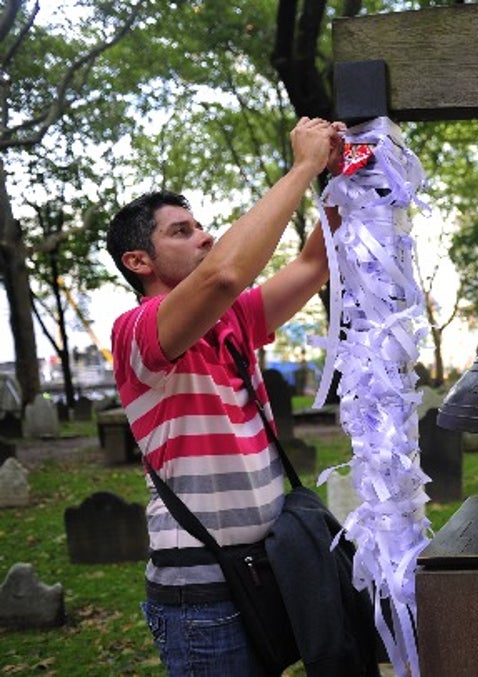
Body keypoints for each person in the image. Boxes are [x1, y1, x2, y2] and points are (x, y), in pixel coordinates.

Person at [106, 116, 345, 675]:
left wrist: (345, 177)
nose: (205, 236)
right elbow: (224, 275)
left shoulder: (234, 319)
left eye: (200, 226)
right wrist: (303, 165)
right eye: (181, 231)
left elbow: (315, 263)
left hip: (267, 572)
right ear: (139, 262)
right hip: (202, 597)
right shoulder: (136, 332)